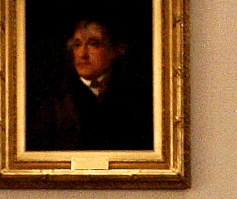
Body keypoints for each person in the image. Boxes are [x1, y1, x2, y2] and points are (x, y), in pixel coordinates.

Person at [28, 16, 153, 151]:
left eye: (93, 44)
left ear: (114, 51)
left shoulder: (136, 96)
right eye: (77, 45)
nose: (82, 54)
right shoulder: (53, 100)